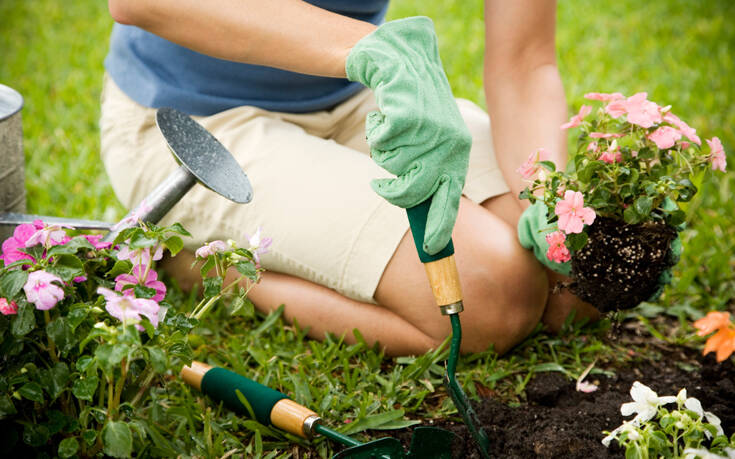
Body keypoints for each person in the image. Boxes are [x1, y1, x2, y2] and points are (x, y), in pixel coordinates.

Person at [101, 0, 599, 357]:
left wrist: (547, 196)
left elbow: (524, 61)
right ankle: (203, 266)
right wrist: (374, 50)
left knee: (574, 287)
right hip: (196, 125)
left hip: (355, 95)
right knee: (492, 300)